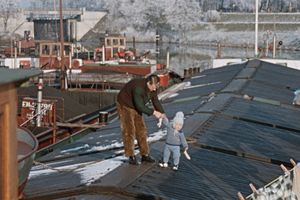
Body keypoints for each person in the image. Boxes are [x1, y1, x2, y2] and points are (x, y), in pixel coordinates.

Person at [117, 74, 165, 165]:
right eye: (153, 87)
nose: (155, 89)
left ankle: (144, 155)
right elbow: (140, 106)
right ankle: (131, 155)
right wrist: (154, 112)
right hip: (125, 104)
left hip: (137, 105)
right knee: (129, 130)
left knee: (141, 129)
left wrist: (162, 113)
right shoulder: (138, 88)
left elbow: (155, 100)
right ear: (148, 83)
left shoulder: (154, 87)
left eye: (156, 87)